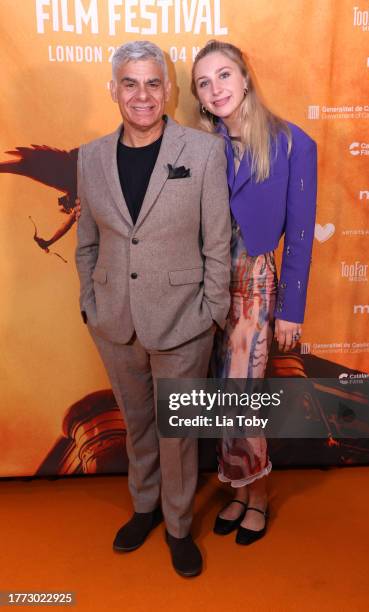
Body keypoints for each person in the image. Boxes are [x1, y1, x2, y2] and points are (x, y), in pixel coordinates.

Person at [75, 40, 231, 577]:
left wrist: (212, 311)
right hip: (114, 319)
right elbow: (87, 242)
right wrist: (90, 305)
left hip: (185, 321)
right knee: (138, 423)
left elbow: (217, 242)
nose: (142, 95)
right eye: (130, 83)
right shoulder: (90, 156)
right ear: (114, 89)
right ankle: (145, 508)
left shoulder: (203, 151)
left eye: (153, 83)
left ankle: (180, 525)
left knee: (177, 432)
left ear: (169, 89)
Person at [191, 40, 317, 545]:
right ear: (199, 98)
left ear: (245, 78)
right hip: (213, 287)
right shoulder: (202, 147)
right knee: (224, 392)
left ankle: (258, 494)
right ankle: (238, 489)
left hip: (258, 285)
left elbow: (302, 235)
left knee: (242, 393)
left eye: (224, 75)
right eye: (204, 82)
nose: (216, 89)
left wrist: (290, 310)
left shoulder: (292, 143)